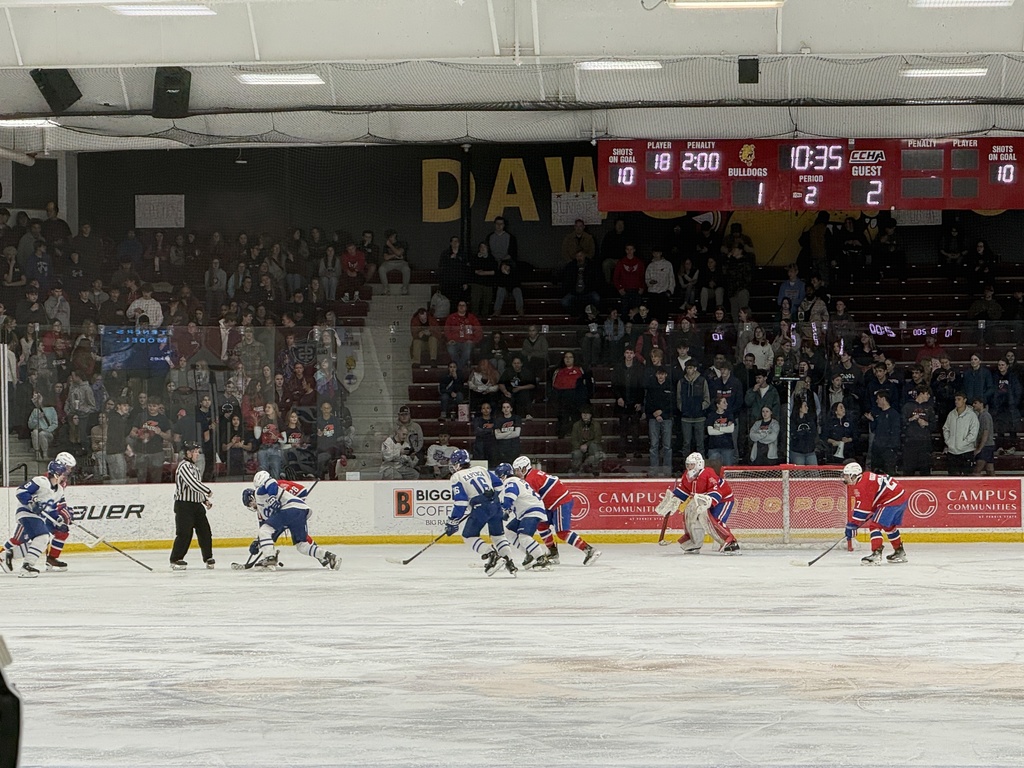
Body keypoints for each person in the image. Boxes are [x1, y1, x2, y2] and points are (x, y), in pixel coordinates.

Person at [513, 454, 600, 566]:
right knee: (542, 525)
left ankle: (589, 550)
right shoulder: (532, 475)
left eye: (517, 470)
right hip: (551, 503)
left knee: (562, 532)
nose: (516, 474)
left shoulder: (531, 479)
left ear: (524, 468)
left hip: (560, 502)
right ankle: (553, 553)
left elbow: (530, 499)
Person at [443, 449, 517, 577]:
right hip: (495, 505)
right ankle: (510, 563)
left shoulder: (457, 477)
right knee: (498, 536)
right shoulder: (481, 469)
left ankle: (492, 554)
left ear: (458, 464)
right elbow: (499, 485)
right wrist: (492, 498)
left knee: (468, 536)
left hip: (480, 508)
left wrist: (453, 520)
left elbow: (460, 502)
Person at [1, 453, 77, 577]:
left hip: (38, 517)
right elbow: (20, 491)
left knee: (42, 540)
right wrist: (31, 502)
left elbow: (52, 509)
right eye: (64, 474)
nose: (65, 476)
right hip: (26, 513)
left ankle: (9, 555)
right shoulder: (41, 481)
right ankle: (26, 566)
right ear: (57, 474)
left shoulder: (59, 490)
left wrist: (59, 521)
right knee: (31, 538)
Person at [248, 471, 341, 570]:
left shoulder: (260, 492)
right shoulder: (261, 510)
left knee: (264, 530)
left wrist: (273, 497)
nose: (251, 506)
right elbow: (269, 529)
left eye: (250, 502)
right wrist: (257, 542)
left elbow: (270, 482)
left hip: (290, 509)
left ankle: (270, 557)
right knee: (302, 545)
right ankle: (329, 556)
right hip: (301, 512)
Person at [660, 452, 738, 554]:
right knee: (690, 514)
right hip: (703, 500)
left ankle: (730, 543)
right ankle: (694, 543)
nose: (689, 467)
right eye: (687, 465)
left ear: (699, 464)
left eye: (692, 464)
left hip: (722, 500)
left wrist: (709, 501)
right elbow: (683, 490)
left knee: (713, 520)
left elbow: (716, 492)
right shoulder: (687, 476)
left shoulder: (708, 474)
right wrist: (673, 500)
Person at [842, 462, 908, 565]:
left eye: (846, 475)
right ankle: (899, 552)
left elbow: (863, 509)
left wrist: (853, 525)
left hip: (892, 500)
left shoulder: (862, 485)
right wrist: (855, 523)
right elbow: (869, 502)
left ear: (854, 475)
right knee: (889, 526)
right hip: (900, 497)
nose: (844, 478)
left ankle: (876, 554)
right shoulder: (866, 478)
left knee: (874, 526)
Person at [494, 463, 551, 569]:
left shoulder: (510, 481)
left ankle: (542, 559)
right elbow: (515, 498)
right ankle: (530, 553)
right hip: (526, 511)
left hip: (531, 510)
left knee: (524, 536)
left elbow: (510, 498)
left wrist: (503, 509)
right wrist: (507, 511)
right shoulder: (516, 481)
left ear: (503, 475)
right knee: (509, 532)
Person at [169, 441, 215, 570]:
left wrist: (204, 500)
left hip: (196, 505)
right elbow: (193, 484)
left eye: (197, 452)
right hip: (184, 505)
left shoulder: (194, 467)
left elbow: (195, 489)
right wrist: (207, 491)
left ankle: (208, 557)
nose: (197, 454)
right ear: (188, 453)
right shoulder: (183, 466)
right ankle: (176, 558)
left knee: (205, 532)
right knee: (184, 533)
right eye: (195, 452)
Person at [645, 366, 675, 476]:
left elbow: (672, 404)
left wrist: (661, 413)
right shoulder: (651, 386)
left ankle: (667, 470)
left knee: (667, 446)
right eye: (659, 374)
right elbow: (648, 402)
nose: (661, 376)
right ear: (656, 375)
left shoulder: (670, 387)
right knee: (654, 445)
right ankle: (654, 470)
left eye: (663, 374)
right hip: (653, 418)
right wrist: (654, 413)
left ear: (666, 375)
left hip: (667, 418)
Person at [901, 387, 936, 476]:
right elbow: (901, 423)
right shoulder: (908, 406)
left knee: (925, 470)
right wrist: (911, 419)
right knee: (908, 470)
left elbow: (934, 426)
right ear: (921, 393)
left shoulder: (929, 408)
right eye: (927, 394)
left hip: (924, 443)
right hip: (910, 443)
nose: (928, 397)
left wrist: (926, 423)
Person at [942, 392, 979, 476]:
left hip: (966, 451)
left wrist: (963, 443)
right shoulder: (951, 414)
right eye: (955, 399)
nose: (956, 401)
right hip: (952, 451)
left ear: (965, 400)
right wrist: (949, 441)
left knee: (966, 477)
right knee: (952, 476)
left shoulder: (972, 415)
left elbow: (973, 433)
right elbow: (946, 428)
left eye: (959, 399)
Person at [569, 405, 605, 476]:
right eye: (583, 414)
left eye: (587, 414)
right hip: (579, 447)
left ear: (590, 415)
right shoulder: (576, 425)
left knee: (595, 450)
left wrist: (587, 445)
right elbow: (573, 439)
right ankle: (576, 471)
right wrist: (580, 447)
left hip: (592, 447)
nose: (585, 416)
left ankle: (595, 470)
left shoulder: (596, 425)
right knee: (576, 454)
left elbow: (598, 439)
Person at [705, 395, 737, 466]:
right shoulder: (711, 415)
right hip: (714, 447)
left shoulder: (729, 415)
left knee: (728, 470)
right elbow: (710, 432)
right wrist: (725, 429)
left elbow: (731, 429)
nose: (727, 404)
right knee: (713, 469)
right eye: (724, 402)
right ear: (718, 405)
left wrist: (718, 428)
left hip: (727, 446)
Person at [789, 396, 818, 465]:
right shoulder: (792, 420)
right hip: (797, 452)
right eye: (805, 406)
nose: (807, 408)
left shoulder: (810, 419)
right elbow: (793, 434)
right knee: (799, 473)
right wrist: (805, 432)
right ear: (799, 407)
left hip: (810, 451)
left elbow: (814, 433)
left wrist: (802, 433)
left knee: (814, 473)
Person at [972, 397, 996, 476]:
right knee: (990, 469)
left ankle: (976, 487)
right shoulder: (981, 416)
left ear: (981, 404)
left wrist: (979, 448)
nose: (973, 405)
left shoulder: (984, 416)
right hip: (989, 445)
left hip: (985, 446)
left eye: (975, 403)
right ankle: (996, 486)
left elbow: (985, 432)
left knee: (977, 471)